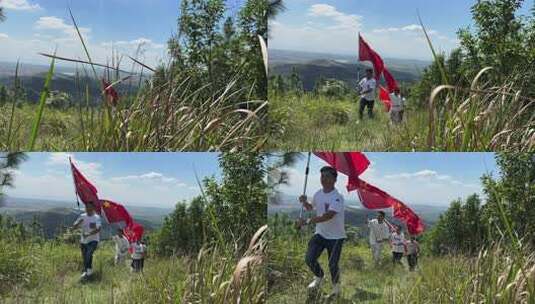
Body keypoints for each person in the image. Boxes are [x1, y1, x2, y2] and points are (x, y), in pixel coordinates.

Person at [295, 166, 345, 297]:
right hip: (320, 234)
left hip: (336, 237)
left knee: (333, 264)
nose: (324, 179)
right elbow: (311, 207)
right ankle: (319, 276)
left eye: (327, 176)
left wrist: (305, 222)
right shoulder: (318, 193)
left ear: (334, 179)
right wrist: (305, 202)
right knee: (309, 259)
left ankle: (336, 289)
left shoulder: (337, 197)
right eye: (322, 176)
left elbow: (328, 216)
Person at [71, 202, 102, 279]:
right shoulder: (82, 216)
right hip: (83, 240)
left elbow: (98, 229)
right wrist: (78, 223)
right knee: (85, 257)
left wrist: (88, 234)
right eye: (86, 207)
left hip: (93, 240)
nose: (88, 209)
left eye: (90, 207)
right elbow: (74, 227)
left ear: (93, 208)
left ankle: (88, 272)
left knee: (88, 254)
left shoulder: (96, 218)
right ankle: (88, 271)